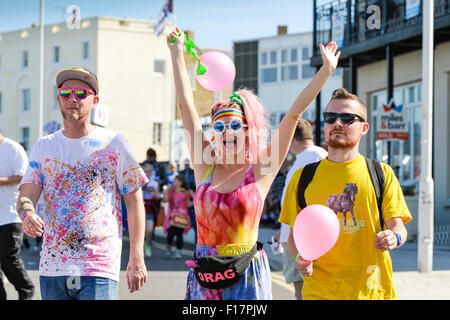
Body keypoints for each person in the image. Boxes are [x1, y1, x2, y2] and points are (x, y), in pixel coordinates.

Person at [167, 27, 339, 300]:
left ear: (248, 130)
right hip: (205, 278)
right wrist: (176, 55)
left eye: (235, 124)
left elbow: (293, 116)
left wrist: (325, 73)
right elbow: (187, 109)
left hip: (246, 276)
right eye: (219, 126)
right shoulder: (205, 166)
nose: (227, 131)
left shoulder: (260, 170)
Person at [16, 66, 148, 300]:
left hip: (98, 267)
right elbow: (27, 195)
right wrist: (27, 214)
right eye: (66, 93)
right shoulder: (44, 147)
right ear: (59, 98)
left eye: (81, 94)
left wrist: (136, 258)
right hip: (53, 267)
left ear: (95, 100)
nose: (72, 99)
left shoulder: (114, 143)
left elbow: (135, 201)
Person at [279, 88, 413, 300]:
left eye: (348, 118)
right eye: (330, 118)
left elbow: (399, 228)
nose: (338, 123)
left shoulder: (381, 173)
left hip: (372, 292)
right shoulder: (303, 177)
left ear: (364, 128)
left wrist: (394, 237)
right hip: (319, 293)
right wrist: (299, 258)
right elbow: (294, 235)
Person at [276, 119, 328, 300]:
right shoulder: (307, 157)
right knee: (299, 286)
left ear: (292, 138)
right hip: (292, 233)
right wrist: (281, 230)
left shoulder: (315, 155)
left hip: (303, 236)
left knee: (304, 288)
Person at [0, 133, 35, 300]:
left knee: (7, 255)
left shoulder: (13, 148)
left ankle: (26, 290)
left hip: (10, 214)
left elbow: (23, 176)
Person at [162, 174, 193, 260]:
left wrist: (194, 196)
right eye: (174, 180)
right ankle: (168, 245)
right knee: (170, 234)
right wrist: (166, 191)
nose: (174, 182)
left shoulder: (186, 192)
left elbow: (188, 204)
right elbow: (165, 200)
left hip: (182, 217)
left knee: (180, 234)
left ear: (181, 182)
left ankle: (178, 252)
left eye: (176, 180)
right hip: (172, 216)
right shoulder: (171, 191)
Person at [141, 163, 161, 258]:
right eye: (146, 171)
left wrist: (154, 195)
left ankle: (147, 244)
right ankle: (140, 247)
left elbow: (158, 196)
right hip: (140, 208)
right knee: (141, 230)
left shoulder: (154, 183)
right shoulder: (138, 182)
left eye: (150, 171)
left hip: (149, 208)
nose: (148, 173)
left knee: (149, 230)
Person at [180, 159, 197, 243]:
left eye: (188, 164)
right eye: (185, 164)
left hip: (192, 202)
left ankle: (196, 245)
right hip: (183, 202)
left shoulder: (193, 172)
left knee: (196, 227)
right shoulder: (181, 173)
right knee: (180, 226)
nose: (186, 165)